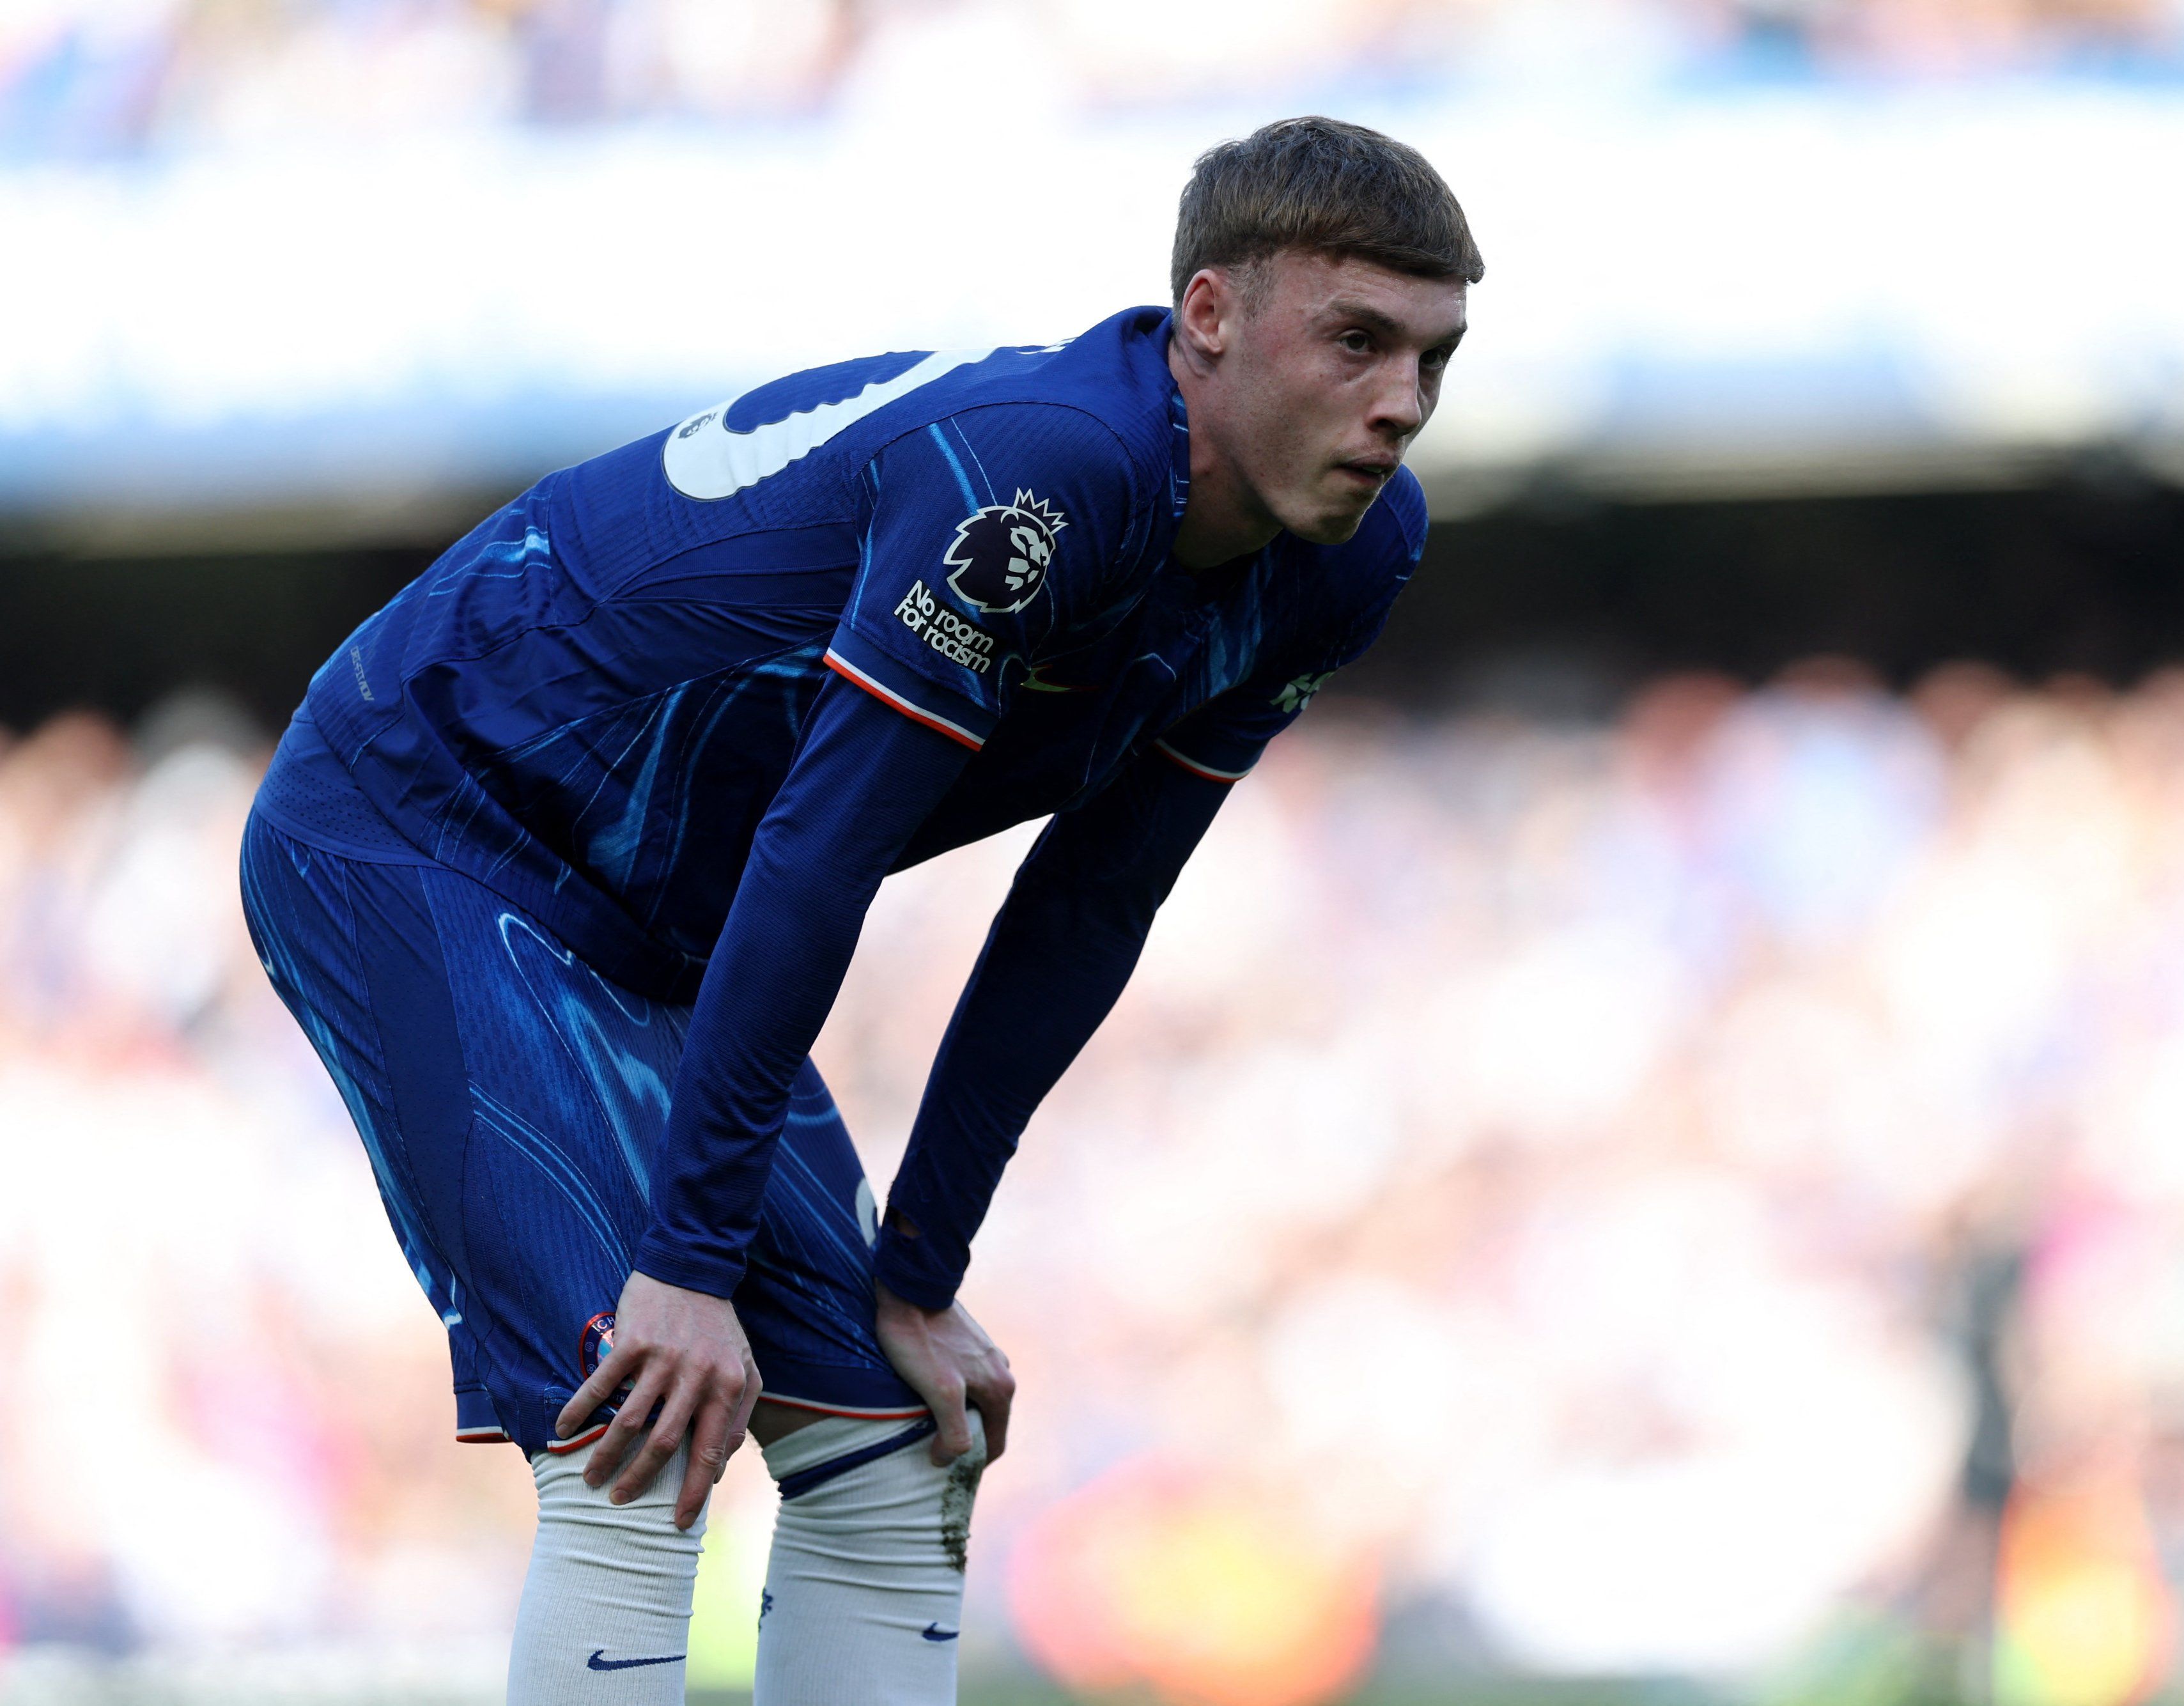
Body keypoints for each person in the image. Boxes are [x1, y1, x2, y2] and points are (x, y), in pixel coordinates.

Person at [236, 116, 1478, 1703]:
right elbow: (817, 853)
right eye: (1357, 341)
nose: (1398, 405)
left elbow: (1092, 902)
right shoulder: (1046, 474)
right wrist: (684, 1263)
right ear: (1210, 317)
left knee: (898, 1439)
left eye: (1432, 359)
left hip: (657, 914)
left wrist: (917, 1267)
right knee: (639, 1413)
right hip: (426, 817)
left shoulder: (1354, 554)